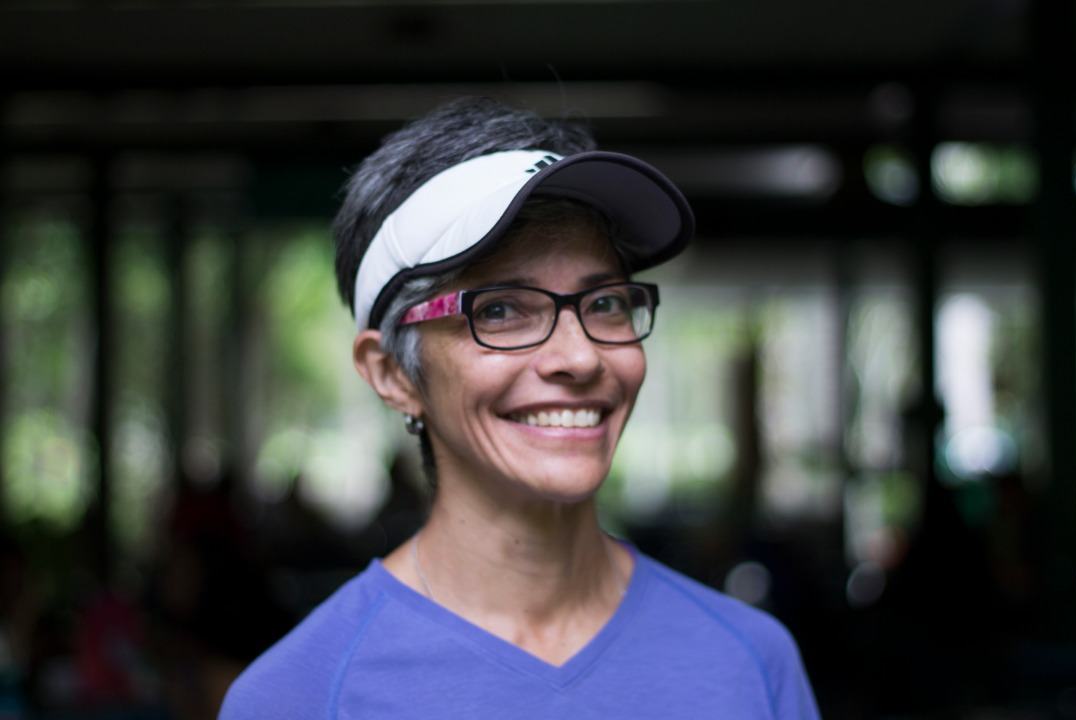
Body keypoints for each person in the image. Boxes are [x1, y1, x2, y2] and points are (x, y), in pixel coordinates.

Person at [219, 97, 820, 719]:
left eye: (605, 304)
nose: (580, 357)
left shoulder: (748, 662)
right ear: (393, 373)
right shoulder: (303, 695)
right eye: (500, 310)